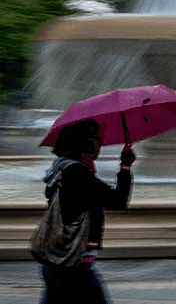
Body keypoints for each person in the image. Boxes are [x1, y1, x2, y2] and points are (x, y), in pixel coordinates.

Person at [39, 119, 136, 304]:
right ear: (85, 141)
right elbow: (118, 201)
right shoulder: (77, 173)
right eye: (97, 139)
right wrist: (125, 167)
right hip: (73, 267)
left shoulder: (60, 168)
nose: (100, 144)